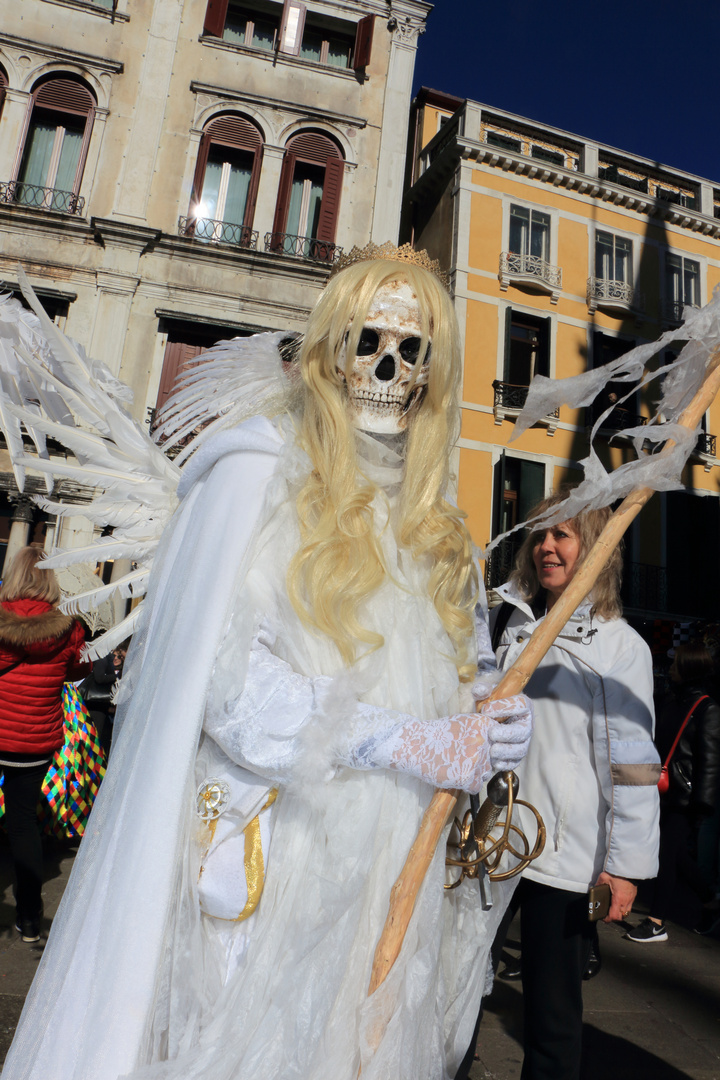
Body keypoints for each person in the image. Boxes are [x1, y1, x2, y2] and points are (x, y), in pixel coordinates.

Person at [3, 247, 533, 1080]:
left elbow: (466, 667)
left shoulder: (439, 529)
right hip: (271, 862)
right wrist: (406, 741)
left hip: (395, 869)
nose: (388, 368)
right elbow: (228, 685)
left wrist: (491, 721)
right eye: (369, 340)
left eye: (413, 349)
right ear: (331, 348)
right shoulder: (255, 474)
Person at [489, 492, 660, 1080]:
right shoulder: (512, 626)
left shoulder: (620, 647)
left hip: (562, 861)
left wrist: (626, 867)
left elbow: (632, 764)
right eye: (540, 535)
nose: (547, 547)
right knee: (460, 992)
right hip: (492, 847)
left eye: (564, 535)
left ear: (596, 548)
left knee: (551, 1018)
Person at [0, 545, 90, 942]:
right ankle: (31, 918)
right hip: (35, 741)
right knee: (23, 824)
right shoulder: (69, 628)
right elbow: (78, 669)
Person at [626, 641, 720, 942]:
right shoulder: (670, 700)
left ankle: (656, 922)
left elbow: (710, 761)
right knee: (675, 854)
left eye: (676, 663)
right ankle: (710, 900)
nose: (670, 668)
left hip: (683, 798)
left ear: (689, 668)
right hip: (660, 790)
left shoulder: (707, 708)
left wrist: (701, 806)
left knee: (666, 855)